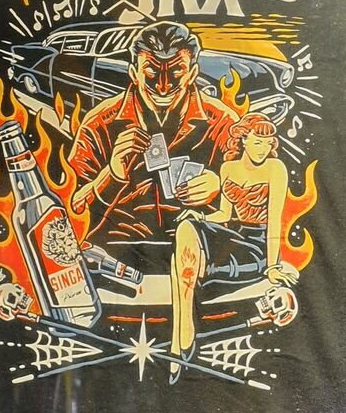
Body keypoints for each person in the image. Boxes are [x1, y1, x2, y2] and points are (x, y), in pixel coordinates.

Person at [66, 19, 232, 244]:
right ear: (134, 73)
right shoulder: (99, 123)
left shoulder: (223, 122)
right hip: (114, 251)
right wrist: (112, 174)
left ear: (193, 73)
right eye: (151, 71)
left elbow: (260, 204)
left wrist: (222, 188)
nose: (163, 86)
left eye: (176, 71)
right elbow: (68, 213)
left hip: (196, 250)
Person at [170, 112, 295, 376]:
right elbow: (224, 215)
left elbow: (275, 221)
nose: (264, 148)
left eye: (268, 143)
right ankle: (182, 327)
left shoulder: (276, 168)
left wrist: (271, 266)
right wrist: (200, 217)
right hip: (233, 235)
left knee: (181, 262)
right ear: (243, 140)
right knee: (186, 227)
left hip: (258, 246)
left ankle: (178, 341)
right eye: (257, 141)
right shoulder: (228, 168)